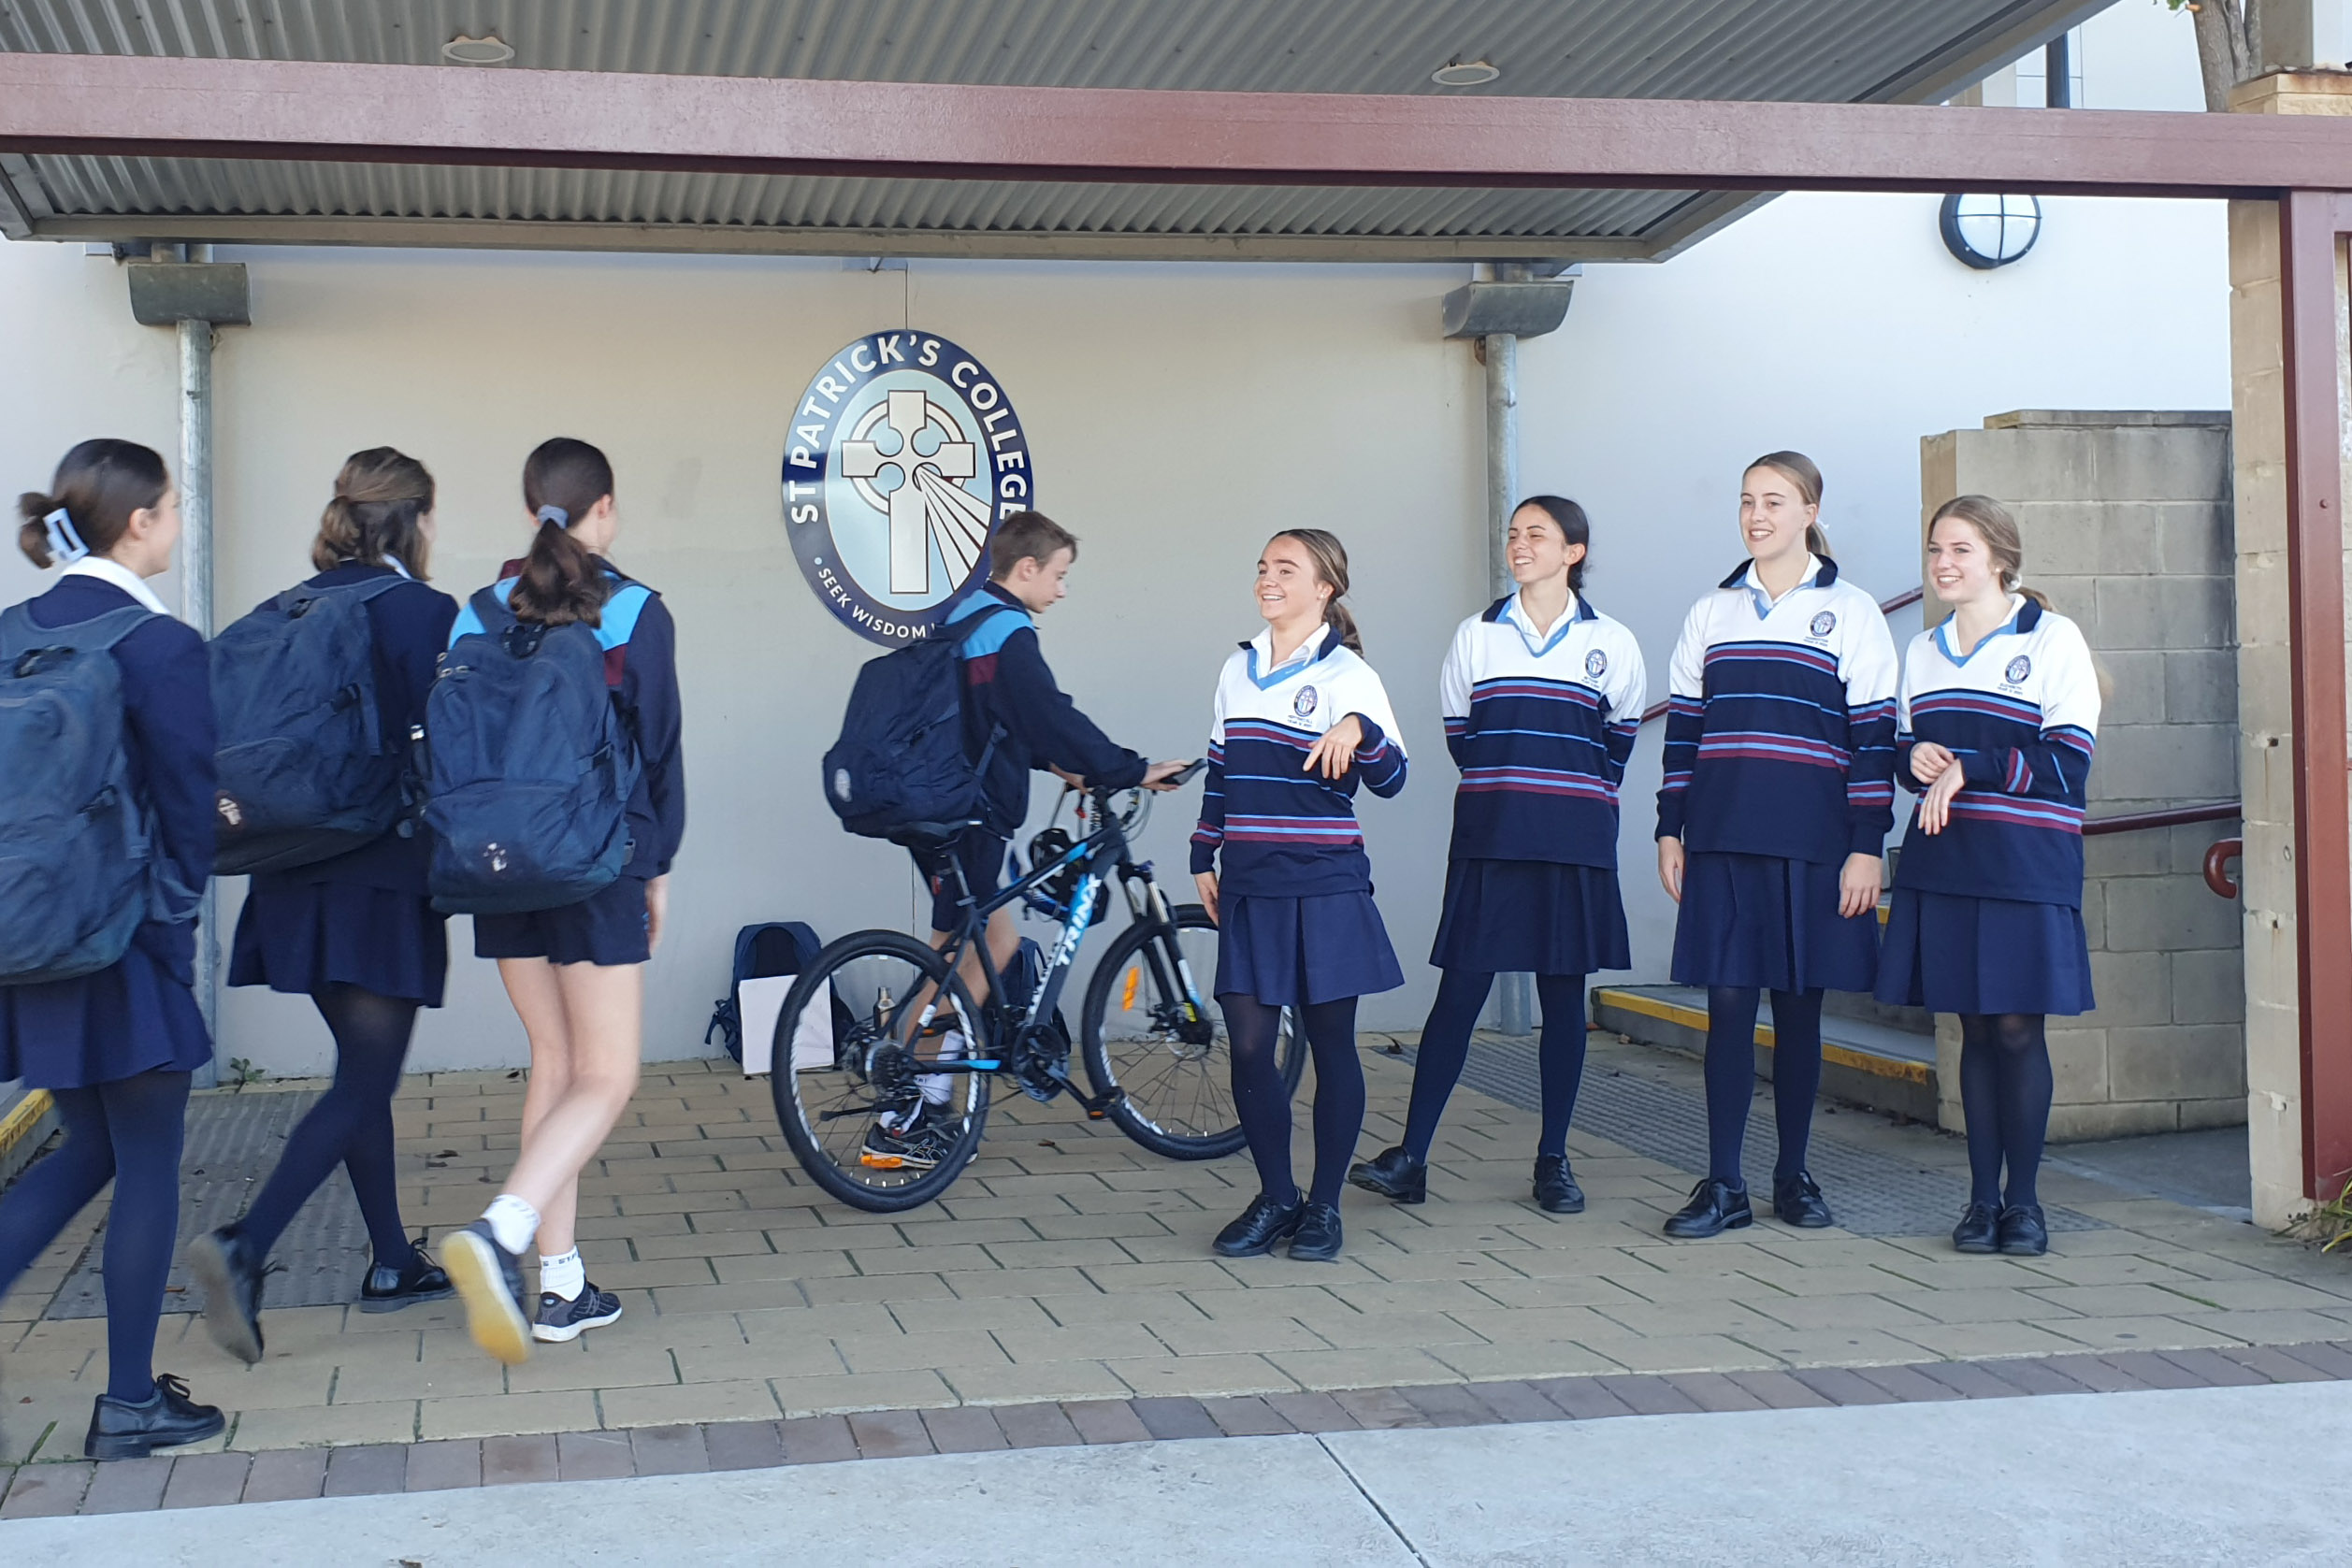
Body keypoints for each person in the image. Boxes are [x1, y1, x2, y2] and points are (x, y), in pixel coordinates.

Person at [190, 450, 460, 1363]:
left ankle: (391, 1261)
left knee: (359, 1073)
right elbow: (448, 746)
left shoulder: (289, 608)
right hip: (376, 877)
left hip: (287, 870)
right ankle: (246, 1245)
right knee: (365, 1080)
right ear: (416, 520)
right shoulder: (424, 613)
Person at [0, 440, 224, 1459]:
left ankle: (133, 1395)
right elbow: (187, 815)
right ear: (138, 522)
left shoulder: (9, 632)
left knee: (86, 1147)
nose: (176, 521)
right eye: (173, 507)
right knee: (144, 1163)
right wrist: (171, 937)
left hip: (27, 932)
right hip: (122, 944)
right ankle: (130, 1401)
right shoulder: (159, 643)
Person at [441, 438, 685, 1363]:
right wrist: (654, 871)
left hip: (497, 865)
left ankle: (563, 1285)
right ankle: (502, 1233)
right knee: (609, 1075)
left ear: (530, 507)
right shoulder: (630, 610)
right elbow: (656, 758)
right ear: (605, 510)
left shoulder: (474, 613)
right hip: (596, 865)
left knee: (555, 1057)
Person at [867, 510, 1189, 1171]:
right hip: (970, 813)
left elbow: (993, 724)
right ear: (1027, 568)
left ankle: (912, 1085)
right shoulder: (1006, 630)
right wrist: (1126, 768)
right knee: (992, 945)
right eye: (1060, 574)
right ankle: (905, 1109)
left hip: (933, 807)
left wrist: (1058, 766)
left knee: (956, 950)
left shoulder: (964, 619)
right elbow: (1046, 713)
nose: (1063, 590)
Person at [1350, 496, 1644, 1214]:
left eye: (1535, 534)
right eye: (1512, 533)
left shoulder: (1612, 641)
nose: (1518, 544)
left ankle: (1553, 1161)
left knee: (1561, 997)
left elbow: (1619, 744)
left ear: (1573, 550)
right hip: (1492, 835)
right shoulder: (1477, 635)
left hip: (1573, 841)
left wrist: (1558, 793)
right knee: (1459, 992)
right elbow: (1462, 735)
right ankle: (1410, 1156)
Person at [1654, 451, 1897, 1238]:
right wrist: (1668, 827)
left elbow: (1872, 742)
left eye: (1775, 501)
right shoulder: (1712, 612)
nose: (1757, 515)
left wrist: (1867, 845)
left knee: (1799, 1012)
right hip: (1722, 840)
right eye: (1746, 501)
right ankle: (1723, 1183)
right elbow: (1682, 736)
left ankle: (1792, 1175)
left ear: (1810, 511)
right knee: (1727, 1007)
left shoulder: (1853, 612)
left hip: (1815, 844)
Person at [1878, 496, 2099, 1259]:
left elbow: (2066, 764)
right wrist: (1915, 760)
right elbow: (1905, 753)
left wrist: (1969, 765)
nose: (1942, 562)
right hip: (1946, 863)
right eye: (1935, 548)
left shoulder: (2051, 640)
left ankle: (2026, 1205)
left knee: (2014, 1027)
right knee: (1969, 1029)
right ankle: (1977, 1202)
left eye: (1960, 549)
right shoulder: (1923, 650)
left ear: (1999, 558)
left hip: (2024, 865)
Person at [1193, 529, 1407, 1262]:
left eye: (1285, 568)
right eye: (1261, 567)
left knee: (1329, 1044)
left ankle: (1323, 1206)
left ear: (1325, 588)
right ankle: (1275, 1195)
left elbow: (1392, 777)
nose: (1266, 579)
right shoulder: (1237, 667)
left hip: (1324, 882)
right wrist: (1202, 852)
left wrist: (1359, 727)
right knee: (1249, 1045)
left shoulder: (1349, 674)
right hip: (1251, 880)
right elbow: (1220, 769)